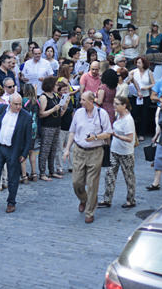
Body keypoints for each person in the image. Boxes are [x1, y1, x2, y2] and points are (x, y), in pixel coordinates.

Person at [63, 91, 112, 224]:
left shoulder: (102, 114)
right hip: (79, 151)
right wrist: (67, 149)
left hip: (95, 152)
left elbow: (108, 133)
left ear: (91, 101)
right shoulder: (78, 112)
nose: (81, 102)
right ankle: (83, 199)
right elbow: (72, 131)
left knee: (92, 184)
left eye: (83, 100)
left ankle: (90, 212)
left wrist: (95, 137)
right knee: (76, 182)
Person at [0, 94, 32, 214]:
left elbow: (28, 137)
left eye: (20, 104)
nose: (18, 107)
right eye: (16, 104)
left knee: (13, 177)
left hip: (14, 150)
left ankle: (11, 202)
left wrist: (24, 153)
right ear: (10, 103)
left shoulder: (26, 116)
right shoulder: (2, 109)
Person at [100, 97, 136, 208]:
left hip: (126, 152)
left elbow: (130, 138)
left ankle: (131, 200)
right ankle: (107, 199)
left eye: (117, 104)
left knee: (128, 176)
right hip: (114, 150)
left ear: (124, 105)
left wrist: (116, 135)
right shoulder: (118, 116)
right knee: (109, 174)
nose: (114, 105)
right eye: (114, 103)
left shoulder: (128, 120)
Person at [38, 76, 64, 181]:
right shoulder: (43, 97)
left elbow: (59, 113)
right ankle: (42, 172)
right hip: (47, 127)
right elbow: (41, 114)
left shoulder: (54, 96)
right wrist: (53, 109)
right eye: (56, 84)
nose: (57, 86)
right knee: (45, 150)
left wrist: (63, 107)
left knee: (53, 150)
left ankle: (52, 171)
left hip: (56, 125)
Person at [19, 84, 39, 183]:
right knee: (31, 151)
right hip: (34, 128)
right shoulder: (37, 101)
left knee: (23, 152)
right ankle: (34, 173)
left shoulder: (23, 101)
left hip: (25, 128)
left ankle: (24, 175)